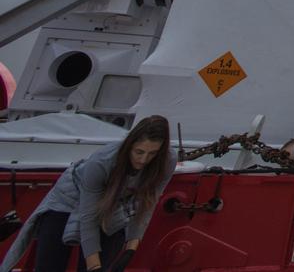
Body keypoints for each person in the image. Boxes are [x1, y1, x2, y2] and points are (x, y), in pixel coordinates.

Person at [1, 116, 175, 272]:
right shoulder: (102, 161)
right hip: (69, 199)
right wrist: (93, 265)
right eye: (139, 152)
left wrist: (131, 247)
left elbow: (147, 204)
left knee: (104, 263)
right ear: (129, 145)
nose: (143, 160)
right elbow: (88, 216)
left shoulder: (167, 161)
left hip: (113, 204)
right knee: (51, 265)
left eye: (152, 154)